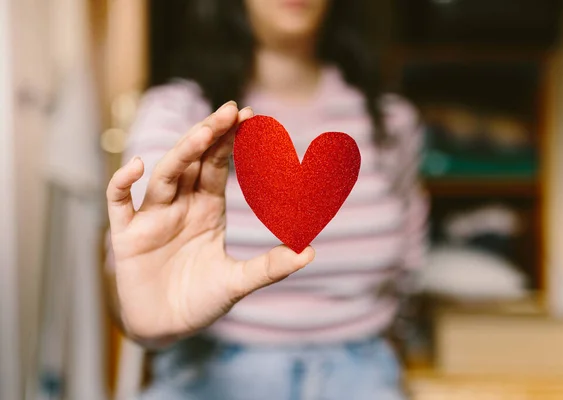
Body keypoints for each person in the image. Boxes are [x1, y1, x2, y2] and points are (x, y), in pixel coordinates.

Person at [105, 0, 428, 398]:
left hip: (363, 374)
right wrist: (142, 309)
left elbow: (409, 267)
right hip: (209, 375)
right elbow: (131, 275)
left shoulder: (391, 120)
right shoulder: (177, 113)